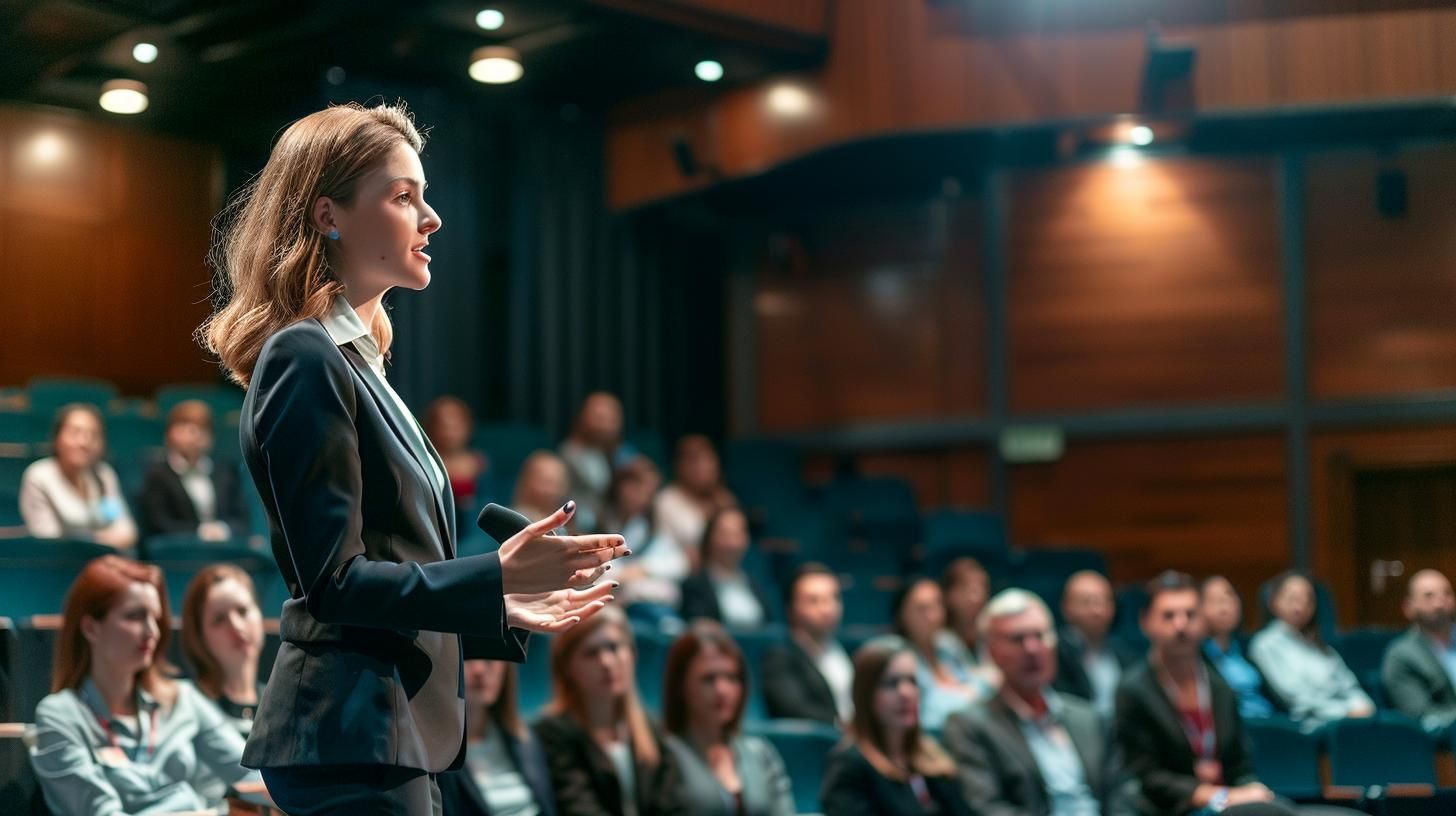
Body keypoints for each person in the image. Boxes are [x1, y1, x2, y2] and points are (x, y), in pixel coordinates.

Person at [199, 101, 627, 814]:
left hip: (383, 731)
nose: (431, 219)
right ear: (327, 215)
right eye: (404, 197)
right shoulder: (306, 357)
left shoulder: (363, 366)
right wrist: (490, 576)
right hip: (349, 733)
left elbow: (393, 571)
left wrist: (504, 601)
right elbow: (334, 583)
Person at [29, 555, 264, 815]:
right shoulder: (60, 715)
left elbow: (252, 778)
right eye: (135, 616)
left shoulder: (182, 698)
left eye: (155, 617)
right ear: (91, 628)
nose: (152, 631)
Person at [1115, 572, 1356, 816]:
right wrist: (1219, 796)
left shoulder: (1218, 685)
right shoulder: (1134, 691)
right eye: (1169, 616)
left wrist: (1251, 788)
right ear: (1145, 621)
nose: (1181, 624)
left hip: (1230, 803)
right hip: (1175, 809)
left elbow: (1240, 764)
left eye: (1190, 614)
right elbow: (1145, 778)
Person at [942, 589, 1132, 816]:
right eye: (1017, 639)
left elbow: (1121, 796)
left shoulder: (1088, 717)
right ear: (991, 650)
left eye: (1040, 636)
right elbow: (986, 809)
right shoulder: (970, 726)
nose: (1032, 649)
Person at [533, 605, 686, 816]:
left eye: (614, 648)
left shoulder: (651, 726)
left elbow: (672, 806)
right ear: (567, 666)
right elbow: (578, 809)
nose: (606, 662)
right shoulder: (551, 731)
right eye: (591, 653)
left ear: (632, 654)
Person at [820, 639, 975, 816]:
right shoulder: (848, 766)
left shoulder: (933, 757)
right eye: (891, 683)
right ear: (865, 694)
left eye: (912, 681)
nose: (906, 693)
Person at [662, 621, 796, 816]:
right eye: (709, 679)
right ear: (681, 687)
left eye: (732, 678)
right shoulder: (665, 756)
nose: (722, 690)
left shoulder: (761, 754)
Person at [1248, 572, 1372, 728]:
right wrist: (1345, 712)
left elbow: (1349, 685)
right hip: (1309, 726)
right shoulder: (1265, 644)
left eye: (1308, 600)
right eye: (1292, 598)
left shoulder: (1318, 643)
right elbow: (1297, 699)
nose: (1300, 606)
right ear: (1273, 602)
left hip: (1348, 720)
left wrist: (1363, 705)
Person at [437, 659, 555, 816]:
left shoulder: (525, 739)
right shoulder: (434, 754)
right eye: (467, 657)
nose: (479, 669)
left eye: (489, 658)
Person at [18, 403, 137, 549]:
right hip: (59, 565)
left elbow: (127, 532)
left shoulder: (104, 474)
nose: (84, 442)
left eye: (94, 435)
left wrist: (87, 541)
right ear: (56, 438)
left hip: (106, 562)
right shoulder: (39, 475)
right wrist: (102, 540)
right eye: (75, 433)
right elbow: (48, 539)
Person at [139, 399, 249, 542]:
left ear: (210, 436)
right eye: (183, 426)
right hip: (180, 549)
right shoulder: (157, 473)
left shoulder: (225, 470)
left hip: (223, 544)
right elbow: (159, 523)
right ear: (169, 434)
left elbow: (241, 517)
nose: (192, 434)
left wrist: (223, 529)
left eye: (201, 428)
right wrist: (201, 531)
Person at [760, 562, 855, 724]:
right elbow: (793, 709)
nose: (827, 609)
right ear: (790, 608)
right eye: (814, 600)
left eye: (834, 598)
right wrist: (845, 726)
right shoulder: (780, 657)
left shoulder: (844, 652)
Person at [180, 564, 266, 736]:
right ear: (199, 636)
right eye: (219, 619)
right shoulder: (186, 705)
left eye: (243, 611)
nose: (237, 626)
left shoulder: (283, 702)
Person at [892, 576, 988, 730]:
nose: (933, 616)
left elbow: (979, 681)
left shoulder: (949, 644)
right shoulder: (899, 658)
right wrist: (969, 695)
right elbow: (926, 714)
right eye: (922, 608)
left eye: (937, 605)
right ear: (902, 614)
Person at [603, 456, 685, 622]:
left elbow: (679, 564)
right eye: (635, 486)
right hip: (608, 600)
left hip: (645, 605)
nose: (641, 495)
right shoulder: (600, 523)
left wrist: (644, 569)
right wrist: (622, 574)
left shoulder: (650, 529)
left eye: (648, 491)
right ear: (619, 486)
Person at [1054, 571, 1139, 720]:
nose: (1097, 611)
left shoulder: (1124, 652)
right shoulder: (1054, 654)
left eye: (1105, 601)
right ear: (1066, 608)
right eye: (1087, 602)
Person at [1383, 569, 1456, 731]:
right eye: (1428, 596)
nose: (1440, 603)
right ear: (1408, 607)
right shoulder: (1401, 655)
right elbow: (1420, 715)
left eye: (1447, 594)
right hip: (1444, 747)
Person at [679, 507, 774, 629]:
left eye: (738, 534)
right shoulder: (694, 585)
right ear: (710, 538)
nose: (732, 543)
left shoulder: (756, 585)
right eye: (725, 534)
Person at [1199, 576, 1275, 721]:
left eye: (1228, 598)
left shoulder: (1248, 647)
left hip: (1270, 720)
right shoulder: (1196, 655)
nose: (1224, 608)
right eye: (1214, 601)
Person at [654, 435, 737, 567]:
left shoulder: (725, 499)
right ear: (679, 465)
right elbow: (664, 551)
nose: (703, 466)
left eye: (708, 458)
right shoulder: (667, 501)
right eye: (694, 460)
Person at [558, 392, 628, 532]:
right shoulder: (568, 455)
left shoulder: (613, 455)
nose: (607, 425)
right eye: (600, 418)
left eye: (612, 419)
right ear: (583, 417)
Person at [422, 395, 491, 514]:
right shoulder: (424, 462)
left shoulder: (480, 462)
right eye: (444, 426)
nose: (450, 434)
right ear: (431, 427)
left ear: (468, 426)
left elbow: (488, 501)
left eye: (456, 427)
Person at [940, 557, 992, 669]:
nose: (977, 597)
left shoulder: (992, 636)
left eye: (982, 588)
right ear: (949, 595)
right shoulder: (939, 642)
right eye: (968, 589)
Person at [514, 450, 573, 530]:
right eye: (546, 482)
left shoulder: (564, 524)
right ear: (527, 481)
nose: (552, 490)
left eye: (558, 483)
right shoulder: (515, 519)